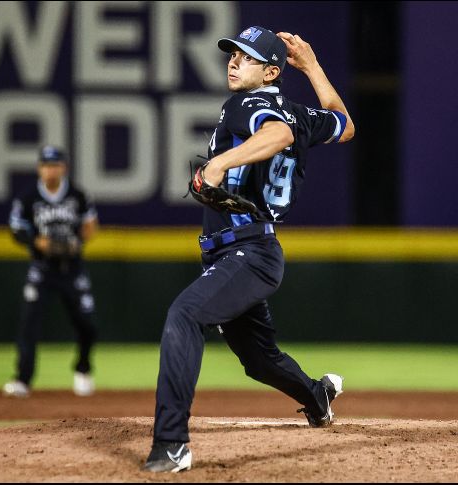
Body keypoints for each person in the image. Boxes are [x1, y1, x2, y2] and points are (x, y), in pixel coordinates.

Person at [142, 26, 355, 473]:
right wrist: (313, 66)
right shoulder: (300, 112)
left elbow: (276, 135)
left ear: (272, 71)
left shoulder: (249, 103)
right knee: (259, 360)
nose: (234, 62)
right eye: (233, 54)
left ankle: (171, 444)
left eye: (249, 58)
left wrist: (218, 162)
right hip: (247, 251)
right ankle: (318, 396)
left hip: (248, 249)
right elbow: (345, 125)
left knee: (184, 315)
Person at [3, 145, 100, 398]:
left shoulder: (77, 195)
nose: (50, 169)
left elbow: (90, 225)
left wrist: (78, 241)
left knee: (87, 324)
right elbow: (16, 229)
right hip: (42, 268)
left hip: (72, 267)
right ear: (39, 168)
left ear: (63, 167)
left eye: (55, 164)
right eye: (46, 165)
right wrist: (36, 241)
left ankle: (83, 368)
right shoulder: (28, 197)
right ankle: (23, 380)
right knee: (29, 324)